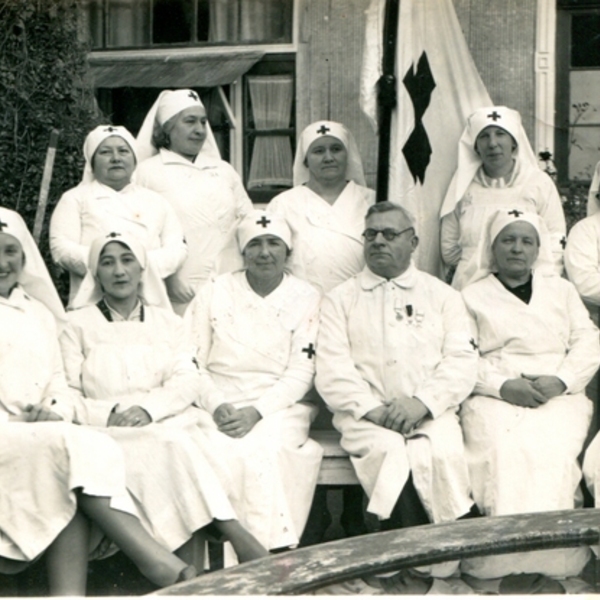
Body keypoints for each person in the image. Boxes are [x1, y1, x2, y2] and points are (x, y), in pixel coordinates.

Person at [0, 208, 197, 594]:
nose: (1, 262)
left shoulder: (38, 313)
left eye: (10, 251)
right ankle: (156, 561)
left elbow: (57, 379)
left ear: (23, 259)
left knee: (69, 475)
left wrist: (50, 408)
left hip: (36, 430)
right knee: (81, 445)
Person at [59, 231, 268, 572]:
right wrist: (110, 413)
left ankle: (192, 573)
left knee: (182, 442)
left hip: (164, 419)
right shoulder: (76, 325)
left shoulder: (169, 323)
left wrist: (148, 410)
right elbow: (66, 391)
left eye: (128, 261)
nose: (119, 271)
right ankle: (233, 536)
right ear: (96, 274)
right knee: (170, 445)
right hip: (105, 430)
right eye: (107, 263)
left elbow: (188, 378)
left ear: (143, 270)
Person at [316, 201, 478, 535]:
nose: (378, 241)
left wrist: (422, 404)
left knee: (440, 454)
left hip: (431, 413)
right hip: (366, 418)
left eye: (390, 234)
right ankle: (417, 566)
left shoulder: (443, 296)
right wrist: (373, 410)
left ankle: (445, 560)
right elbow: (333, 369)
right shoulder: (339, 299)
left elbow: (460, 362)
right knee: (391, 452)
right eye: (371, 234)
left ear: (413, 243)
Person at [460, 208, 599, 582]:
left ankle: (558, 560)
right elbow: (459, 355)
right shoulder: (471, 295)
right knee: (506, 451)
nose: (517, 249)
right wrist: (503, 386)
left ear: (538, 248)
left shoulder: (562, 290)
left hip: (558, 392)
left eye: (526, 241)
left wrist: (563, 379)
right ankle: (496, 562)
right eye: (508, 239)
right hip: (494, 391)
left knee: (550, 449)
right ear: (493, 247)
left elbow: (589, 341)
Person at [186, 210, 323, 555]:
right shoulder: (214, 291)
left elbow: (302, 371)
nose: (264, 252)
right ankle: (220, 562)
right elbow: (191, 362)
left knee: (265, 448)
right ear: (242, 251)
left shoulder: (307, 297)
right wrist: (218, 405)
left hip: (281, 406)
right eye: (255, 244)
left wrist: (257, 412)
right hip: (217, 402)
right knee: (210, 448)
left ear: (288, 251)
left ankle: (271, 555)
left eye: (274, 243)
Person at [135, 89, 253, 314]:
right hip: (179, 288)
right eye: (190, 122)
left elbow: (247, 221)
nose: (200, 130)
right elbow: (142, 235)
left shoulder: (223, 169)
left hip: (231, 282)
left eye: (203, 122)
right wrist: (167, 278)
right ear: (168, 127)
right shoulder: (147, 172)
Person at [50, 125, 186, 307]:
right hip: (92, 301)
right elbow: (61, 248)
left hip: (151, 301)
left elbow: (177, 249)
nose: (116, 158)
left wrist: (138, 266)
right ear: (92, 161)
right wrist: (107, 266)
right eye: (105, 152)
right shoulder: (75, 198)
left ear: (134, 159)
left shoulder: (156, 201)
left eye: (123, 151)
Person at [440, 106, 566, 290]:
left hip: (526, 288)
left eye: (500, 134)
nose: (492, 143)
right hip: (470, 286)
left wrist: (538, 286)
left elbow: (555, 240)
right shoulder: (462, 186)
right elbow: (449, 249)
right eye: (484, 136)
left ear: (514, 142)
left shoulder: (538, 183)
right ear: (475, 146)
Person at [267, 120, 375, 295]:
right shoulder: (283, 205)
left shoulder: (372, 201)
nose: (329, 158)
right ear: (306, 160)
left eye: (336, 149)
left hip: (361, 302)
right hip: (303, 305)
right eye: (318, 151)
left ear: (348, 155)